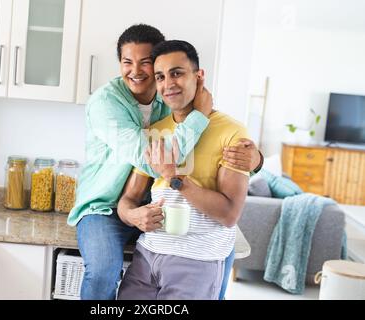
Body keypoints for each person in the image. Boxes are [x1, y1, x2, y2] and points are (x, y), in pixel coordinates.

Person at [67, 24, 262, 300]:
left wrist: (256, 159)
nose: (136, 71)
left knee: (223, 250)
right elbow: (153, 162)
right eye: (127, 62)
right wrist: (200, 115)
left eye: (146, 63)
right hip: (105, 207)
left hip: (154, 211)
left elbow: (225, 193)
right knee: (102, 271)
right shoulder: (105, 104)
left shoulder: (166, 99)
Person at [116, 40, 250, 299]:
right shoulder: (157, 129)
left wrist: (174, 177)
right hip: (147, 257)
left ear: (199, 77)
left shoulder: (232, 132)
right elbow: (128, 200)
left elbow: (229, 213)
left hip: (196, 261)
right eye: (160, 76)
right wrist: (133, 216)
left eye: (177, 73)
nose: (168, 84)